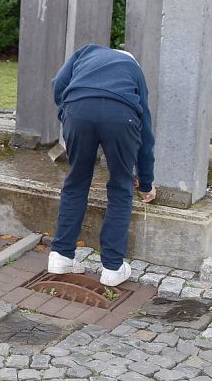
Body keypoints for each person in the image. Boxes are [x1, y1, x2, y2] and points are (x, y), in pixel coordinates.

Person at [48, 44, 156, 287]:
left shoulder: (85, 52)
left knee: (75, 182)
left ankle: (60, 255)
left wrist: (66, 114)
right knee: (120, 186)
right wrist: (146, 183)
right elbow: (145, 132)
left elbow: (58, 84)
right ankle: (112, 267)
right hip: (121, 116)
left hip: (78, 110)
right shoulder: (134, 69)